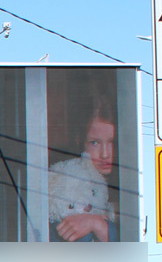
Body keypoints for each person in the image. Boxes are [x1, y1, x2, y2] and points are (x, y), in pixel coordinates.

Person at [48, 98, 117, 241]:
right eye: (95, 142)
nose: (105, 154)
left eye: (112, 142)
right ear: (80, 142)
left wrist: (97, 224)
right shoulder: (68, 183)